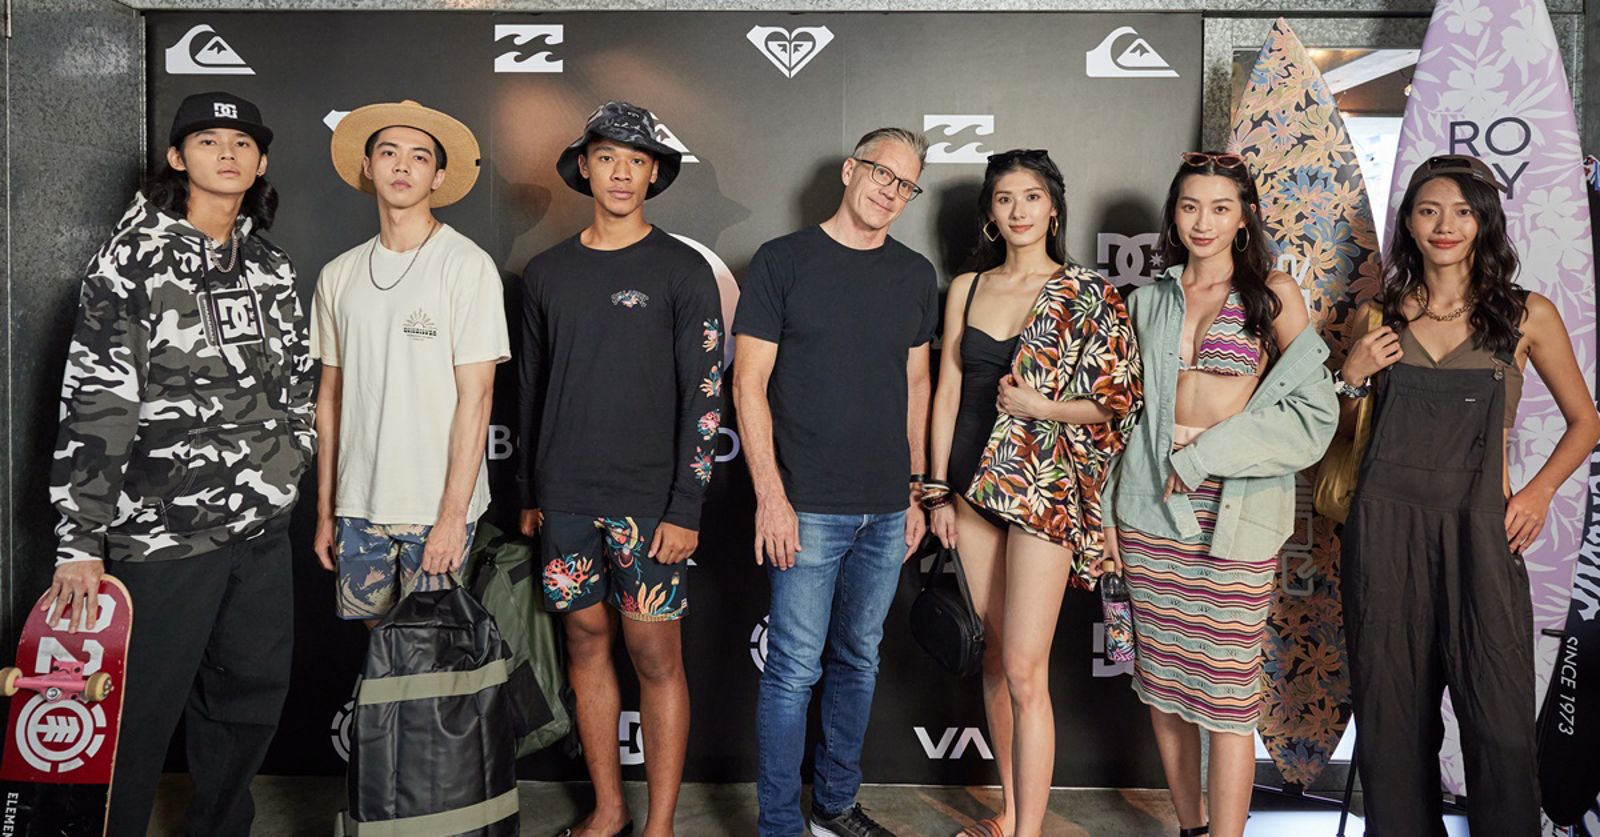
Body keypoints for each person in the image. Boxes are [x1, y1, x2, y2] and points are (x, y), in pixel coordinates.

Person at [45, 91, 312, 836]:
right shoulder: (132, 258)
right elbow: (97, 399)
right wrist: (78, 540)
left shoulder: (270, 264)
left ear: (260, 162)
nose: (227, 153)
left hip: (259, 525)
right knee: (136, 714)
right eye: (207, 140)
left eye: (242, 142)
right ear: (175, 157)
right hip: (162, 533)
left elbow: (296, 382)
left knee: (248, 700)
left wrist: (292, 462)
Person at [1337, 154, 1600, 837]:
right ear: (1409, 224)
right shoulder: (1378, 315)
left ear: (1484, 221)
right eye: (1429, 210)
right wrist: (1351, 373)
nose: (1444, 224)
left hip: (1480, 531)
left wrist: (1539, 493)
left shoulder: (1526, 313)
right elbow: (1337, 432)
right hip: (1384, 534)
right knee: (1391, 723)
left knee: (1500, 726)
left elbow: (1586, 420)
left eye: (1461, 211)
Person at [1101, 152, 1337, 837]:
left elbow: (1314, 414)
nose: (1203, 222)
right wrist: (1108, 516)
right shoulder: (1147, 300)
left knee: (1229, 699)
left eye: (1220, 207)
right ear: (1173, 215)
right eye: (1189, 206)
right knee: (1164, 689)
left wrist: (1206, 455)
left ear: (1244, 217)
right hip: (1147, 511)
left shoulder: (1273, 295)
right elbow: (1123, 419)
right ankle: (1192, 826)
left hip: (1235, 514)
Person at [516, 101, 723, 837]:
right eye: (607, 157)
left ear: (655, 173)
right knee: (584, 641)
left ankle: (659, 824)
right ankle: (607, 809)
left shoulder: (683, 269)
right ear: (585, 166)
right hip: (565, 496)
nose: (622, 172)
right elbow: (529, 389)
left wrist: (686, 505)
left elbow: (706, 395)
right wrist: (530, 491)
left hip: (650, 501)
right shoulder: (546, 272)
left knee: (654, 654)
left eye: (637, 159)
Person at [925, 149, 1140, 837]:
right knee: (994, 656)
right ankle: (1012, 812)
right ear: (990, 213)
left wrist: (1045, 409)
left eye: (1032, 196)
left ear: (1053, 207)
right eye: (1005, 198)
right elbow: (947, 391)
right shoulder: (967, 287)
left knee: (1024, 666)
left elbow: (1119, 401)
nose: (1018, 210)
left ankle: (1029, 832)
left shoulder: (1087, 291)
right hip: (968, 485)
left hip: (1041, 489)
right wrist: (936, 489)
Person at [733, 127, 936, 837]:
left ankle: (835, 806)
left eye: (906, 184)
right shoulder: (782, 261)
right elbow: (748, 384)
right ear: (851, 170)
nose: (891, 190)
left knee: (858, 660)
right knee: (792, 669)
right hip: (806, 507)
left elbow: (917, 384)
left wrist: (916, 489)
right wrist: (771, 496)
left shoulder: (914, 274)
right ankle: (780, 825)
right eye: (882, 172)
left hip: (886, 509)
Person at [311, 100, 508, 621]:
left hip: (434, 508)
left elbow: (477, 397)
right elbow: (329, 400)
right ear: (367, 166)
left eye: (419, 157)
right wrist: (326, 510)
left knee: (432, 654)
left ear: (438, 176)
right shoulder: (338, 275)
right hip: (358, 506)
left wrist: (452, 516)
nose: (402, 166)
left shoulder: (466, 266)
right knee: (376, 648)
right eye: (388, 153)